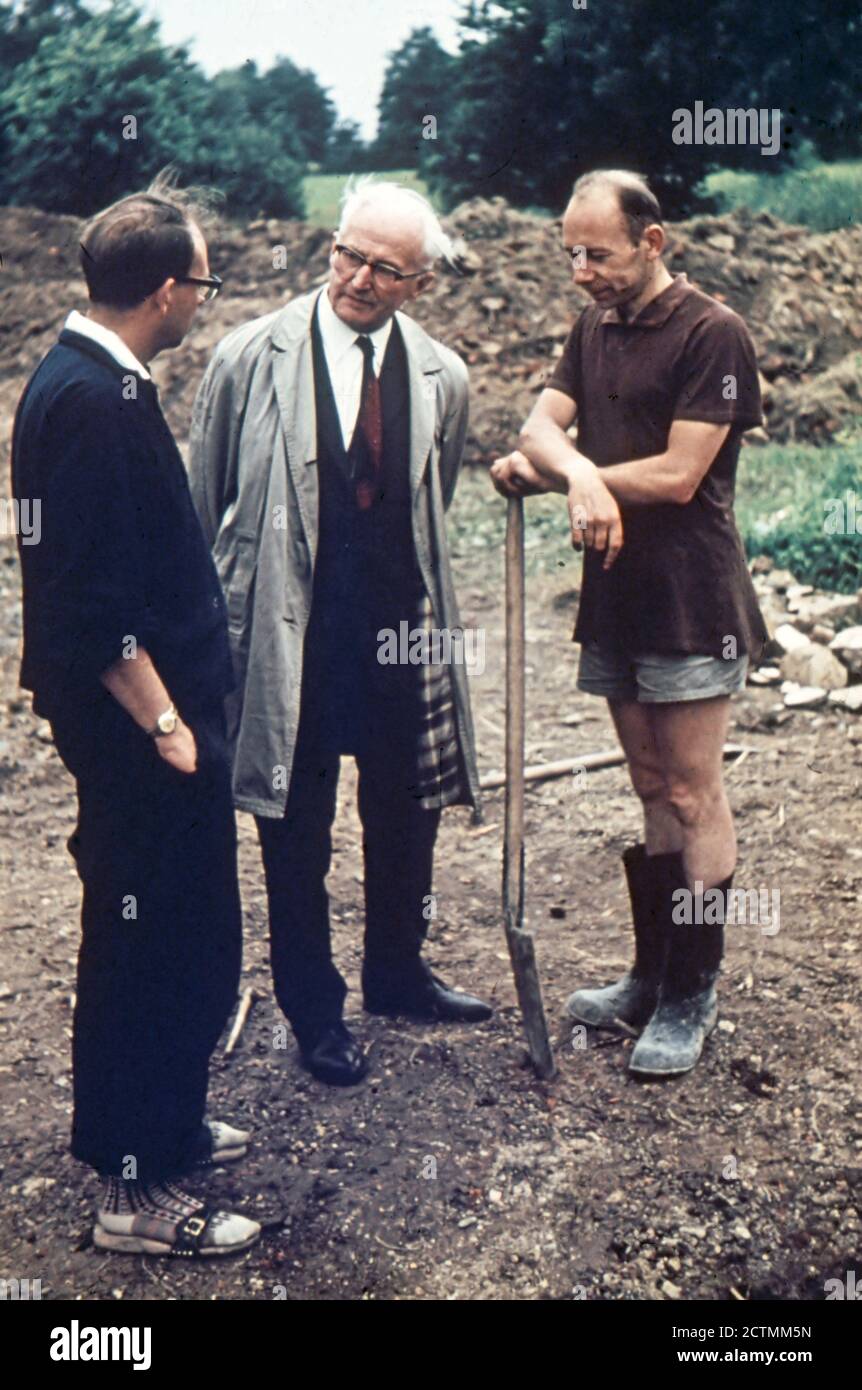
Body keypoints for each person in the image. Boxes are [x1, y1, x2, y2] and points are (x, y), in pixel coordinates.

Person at [189, 180, 492, 1089]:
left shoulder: (444, 376)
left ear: (422, 282)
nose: (358, 278)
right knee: (297, 829)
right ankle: (313, 1011)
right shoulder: (248, 357)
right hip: (295, 643)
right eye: (346, 255)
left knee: (408, 816)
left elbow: (429, 502)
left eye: (385, 268)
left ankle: (397, 977)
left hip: (399, 638)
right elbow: (203, 506)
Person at [11, 175, 260, 1256]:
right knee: (142, 943)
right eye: (203, 283)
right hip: (141, 735)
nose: (205, 300)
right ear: (167, 290)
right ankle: (135, 1192)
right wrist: (167, 726)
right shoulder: (92, 406)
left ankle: (165, 1124)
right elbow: (91, 604)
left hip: (157, 726)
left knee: (182, 931)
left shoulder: (85, 380)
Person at [491, 170, 766, 1077]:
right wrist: (570, 472)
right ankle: (649, 976)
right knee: (648, 784)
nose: (580, 271)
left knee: (693, 793)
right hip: (614, 588)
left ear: (653, 242)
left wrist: (574, 473)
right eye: (569, 251)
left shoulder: (712, 333)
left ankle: (694, 990)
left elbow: (683, 475)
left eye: (597, 253)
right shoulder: (593, 327)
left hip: (691, 598)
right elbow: (539, 425)